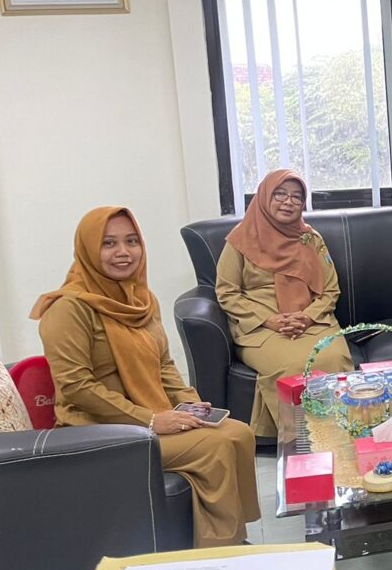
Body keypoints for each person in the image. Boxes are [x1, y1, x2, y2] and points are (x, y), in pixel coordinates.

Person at [34, 207, 260, 547]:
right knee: (213, 447)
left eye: (131, 241)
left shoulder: (140, 299)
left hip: (149, 417)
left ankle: (232, 533)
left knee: (239, 433)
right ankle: (218, 550)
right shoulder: (68, 308)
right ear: (87, 249)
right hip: (97, 431)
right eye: (108, 243)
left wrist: (190, 403)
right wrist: (151, 420)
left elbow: (163, 364)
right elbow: (77, 387)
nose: (123, 252)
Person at [215, 170, 352, 439]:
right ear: (265, 196)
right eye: (280, 194)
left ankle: (342, 436)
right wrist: (269, 319)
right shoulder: (240, 239)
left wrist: (307, 316)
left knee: (334, 358)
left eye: (296, 197)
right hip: (261, 327)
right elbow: (227, 292)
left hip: (311, 322)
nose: (288, 202)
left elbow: (330, 290)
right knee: (292, 367)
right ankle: (300, 441)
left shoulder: (311, 239)